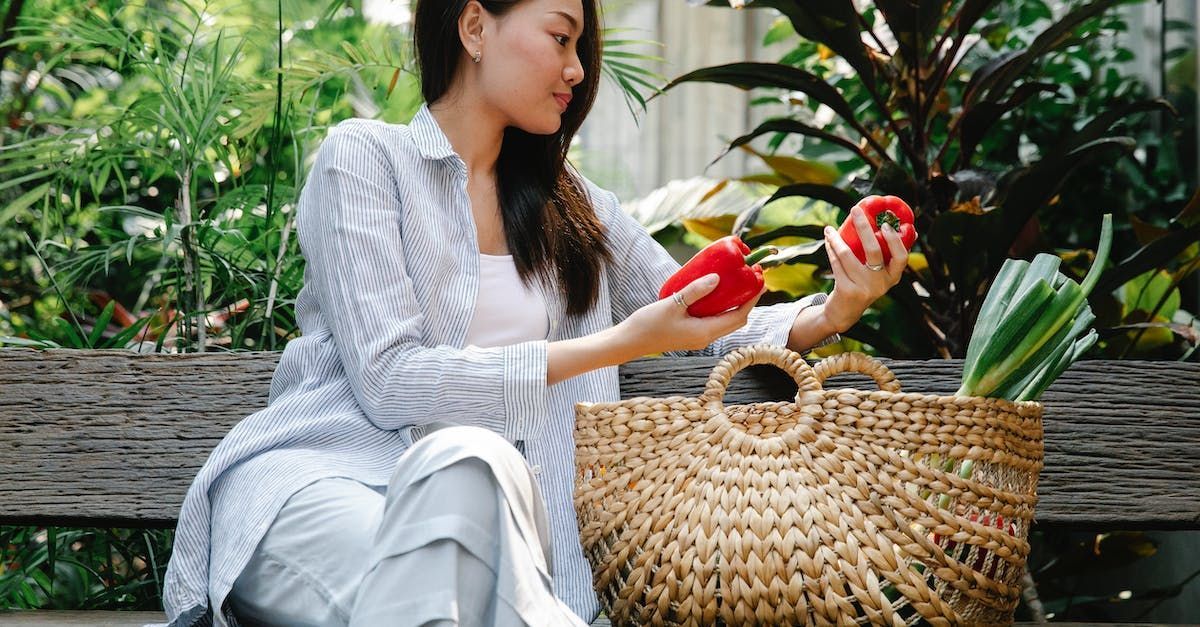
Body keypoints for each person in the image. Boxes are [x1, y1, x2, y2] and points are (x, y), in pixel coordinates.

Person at [154, 0, 908, 625]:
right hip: (330, 489)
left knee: (475, 483)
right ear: (475, 28)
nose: (578, 71)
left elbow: (700, 310)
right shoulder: (365, 160)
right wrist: (612, 345)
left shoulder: (575, 208)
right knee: (468, 472)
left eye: (580, 47)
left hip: (494, 529)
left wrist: (832, 309)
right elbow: (388, 383)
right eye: (560, 38)